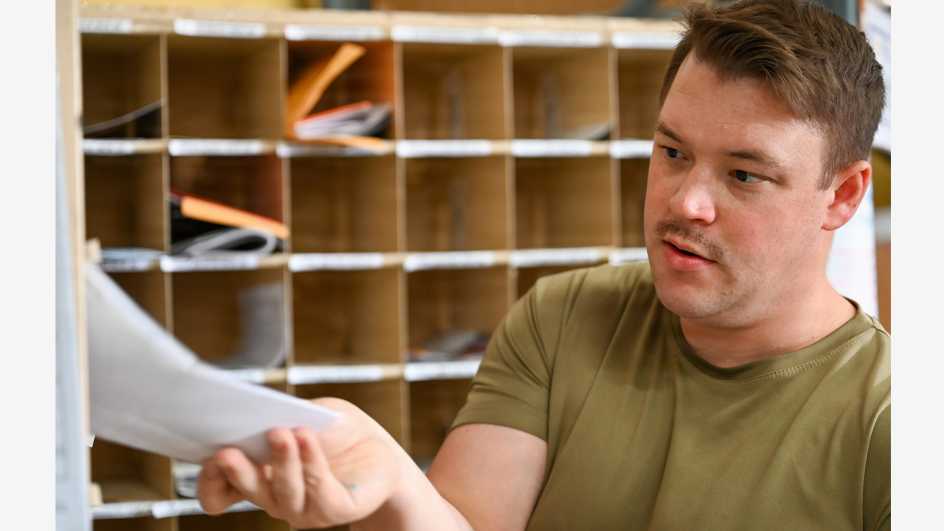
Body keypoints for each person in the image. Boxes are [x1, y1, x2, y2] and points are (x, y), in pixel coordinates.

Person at [197, 0, 890, 529]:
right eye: (673, 152)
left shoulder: (893, 420)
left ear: (844, 194)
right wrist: (392, 482)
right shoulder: (563, 316)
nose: (687, 202)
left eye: (743, 175)